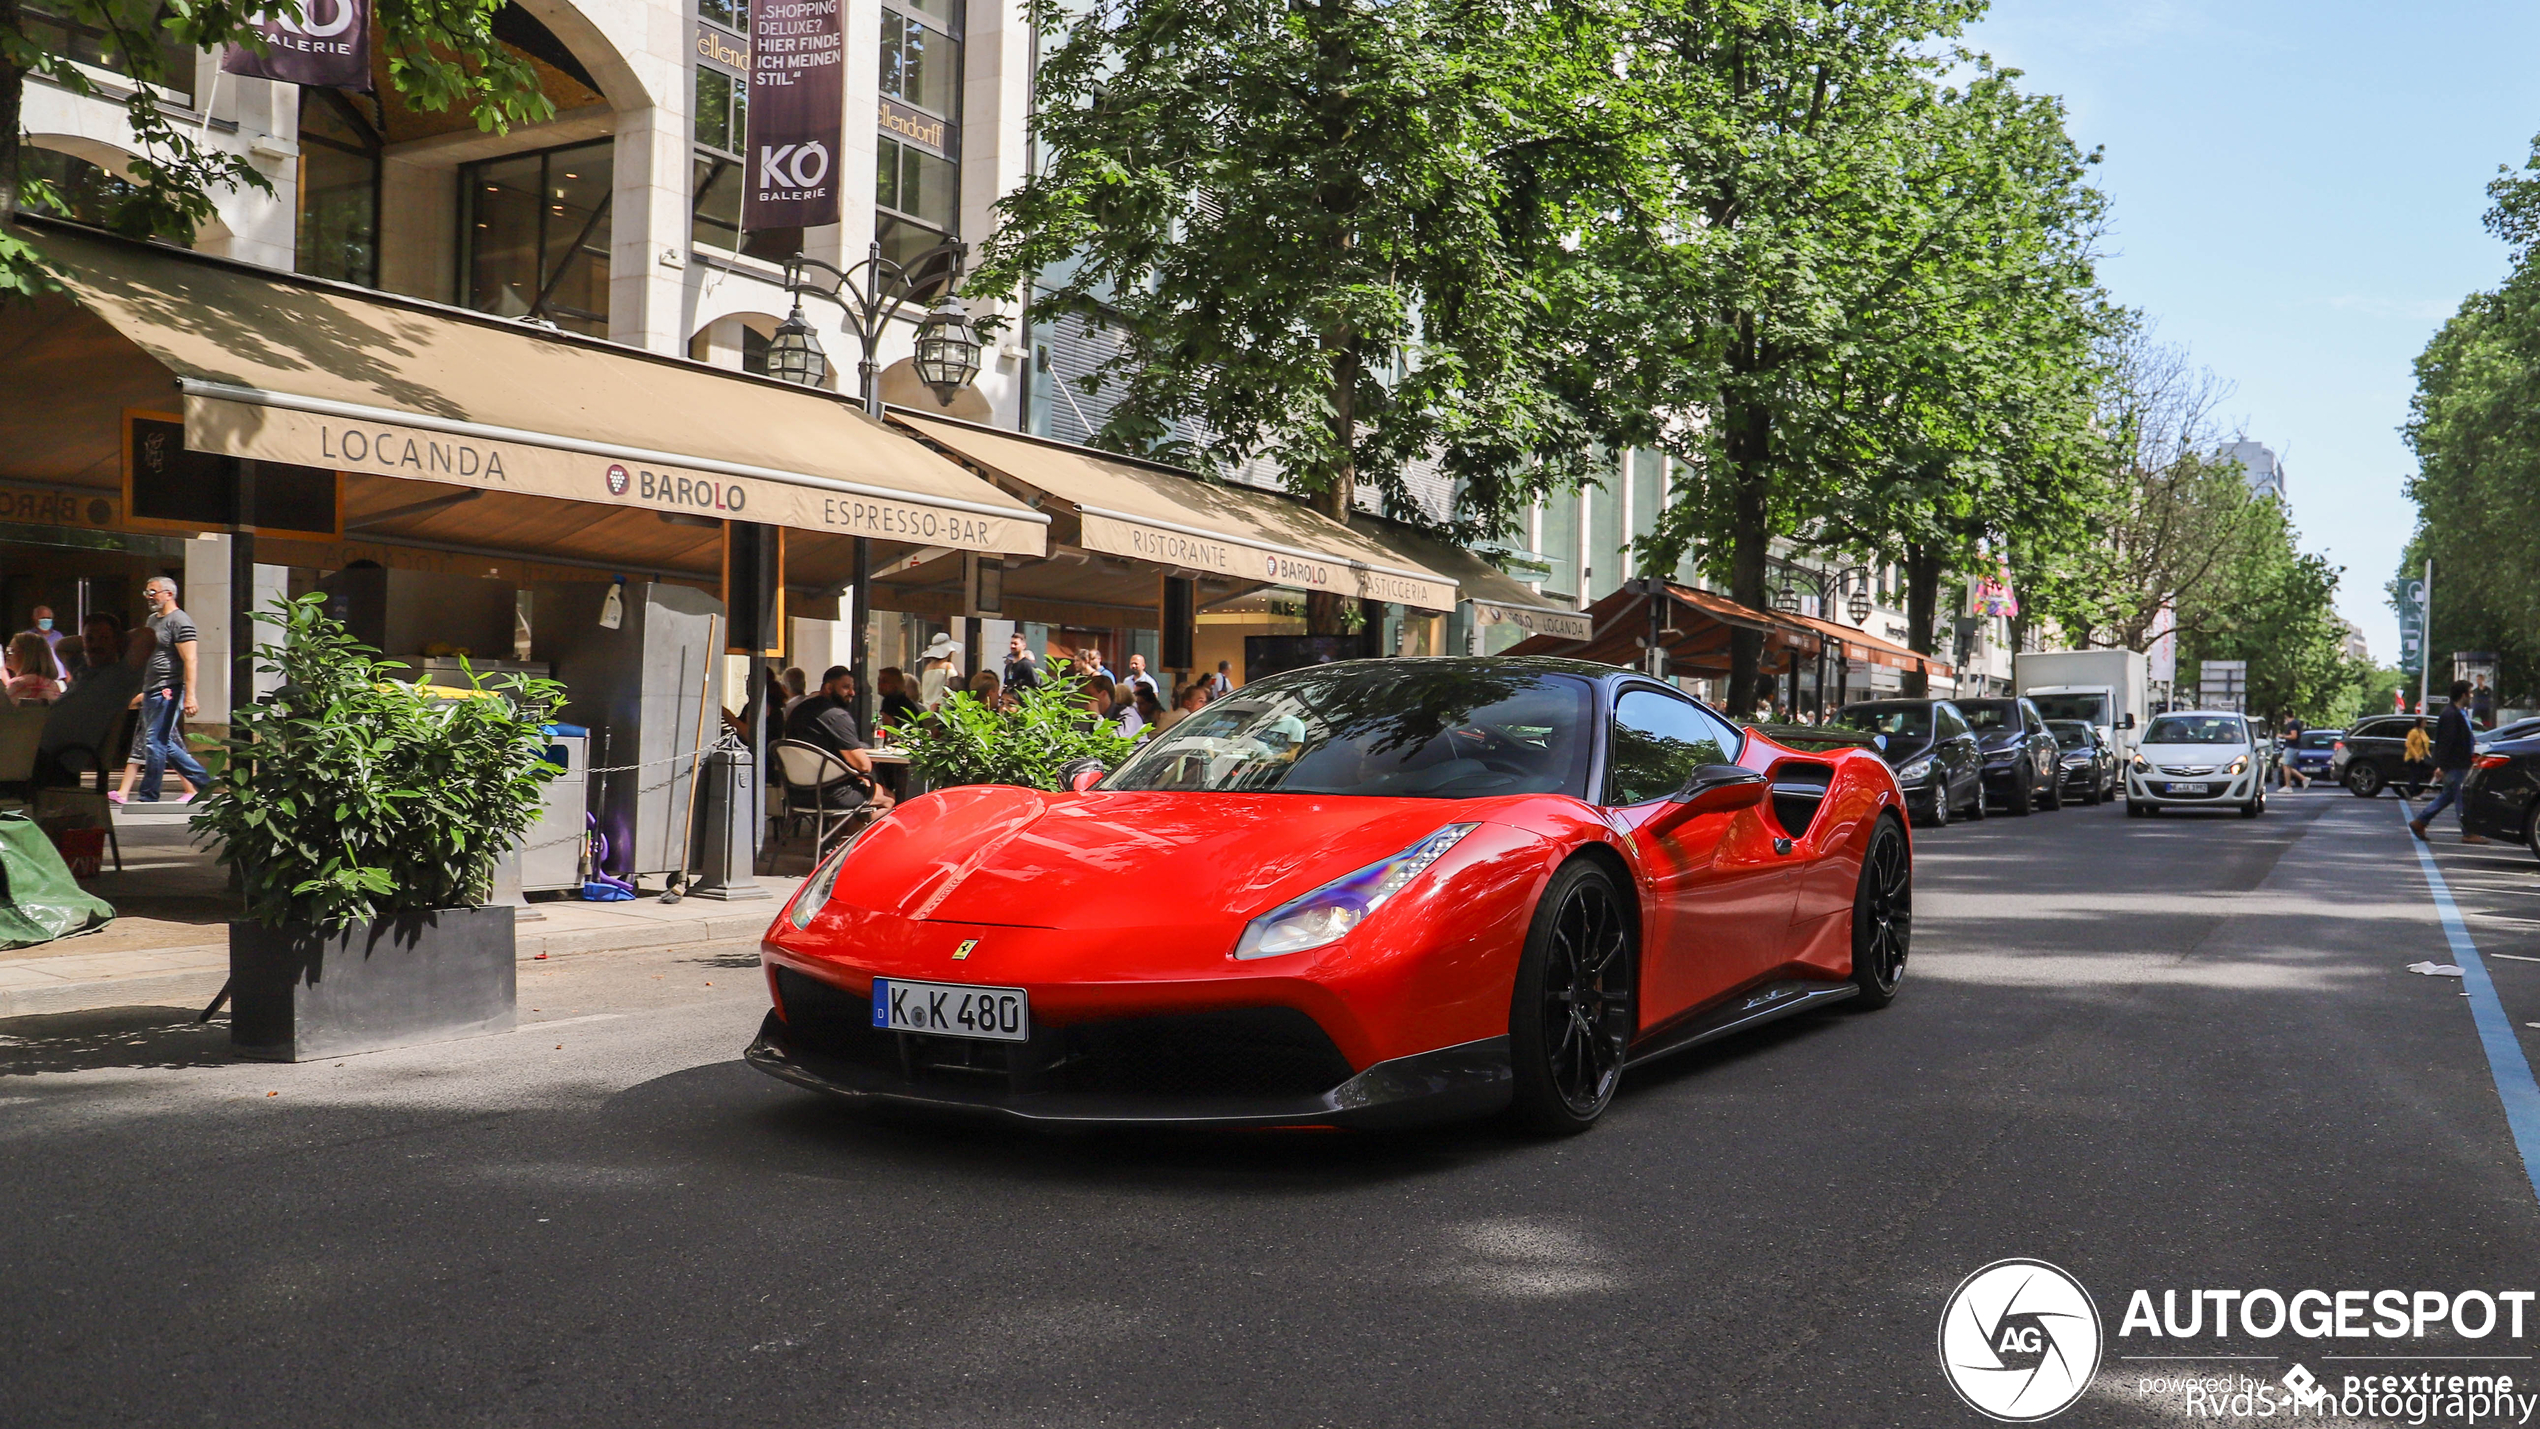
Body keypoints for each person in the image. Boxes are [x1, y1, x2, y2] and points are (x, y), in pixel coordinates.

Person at [114, 579, 209, 804]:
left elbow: (190, 659)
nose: (148, 596)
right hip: (152, 688)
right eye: (146, 591)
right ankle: (206, 783)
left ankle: (149, 795)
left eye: (153, 592)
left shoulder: (180, 621)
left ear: (169, 594)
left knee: (154, 741)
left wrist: (190, 695)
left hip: (169, 688)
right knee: (162, 742)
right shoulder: (152, 620)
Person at [783, 666, 892, 814]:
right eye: (846, 687)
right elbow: (864, 765)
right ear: (828, 687)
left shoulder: (798, 711)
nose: (852, 693)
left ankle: (843, 832)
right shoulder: (836, 717)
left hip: (795, 793)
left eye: (852, 688)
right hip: (832, 795)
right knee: (888, 799)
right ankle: (856, 834)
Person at [2412, 682, 2485, 843]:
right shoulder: (2451, 714)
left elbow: (2462, 736)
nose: (2472, 696)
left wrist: (2473, 743)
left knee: (2448, 796)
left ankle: (2420, 822)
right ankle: (2468, 833)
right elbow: (2446, 742)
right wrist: (2442, 766)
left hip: (2460, 763)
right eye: (2470, 693)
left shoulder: (2459, 712)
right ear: (2463, 695)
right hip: (2456, 764)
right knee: (2461, 799)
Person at [5, 631, 59, 703]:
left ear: (28, 655)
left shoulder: (18, 685)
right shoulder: (53, 686)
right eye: (7, 650)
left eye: (11, 650)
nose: (6, 654)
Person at [17, 605, 65, 679]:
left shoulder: (58, 636)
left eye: (48, 618)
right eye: (43, 618)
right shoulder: (26, 637)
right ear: (34, 618)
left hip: (59, 679)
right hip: (35, 679)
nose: (46, 621)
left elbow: (65, 659)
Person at [916, 633, 960, 709]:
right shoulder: (948, 666)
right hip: (941, 709)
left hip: (927, 708)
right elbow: (955, 687)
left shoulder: (927, 667)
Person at [876, 667, 922, 733]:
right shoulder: (905, 701)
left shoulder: (890, 701)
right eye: (879, 681)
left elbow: (887, 726)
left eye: (884, 681)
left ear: (895, 684)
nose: (879, 684)